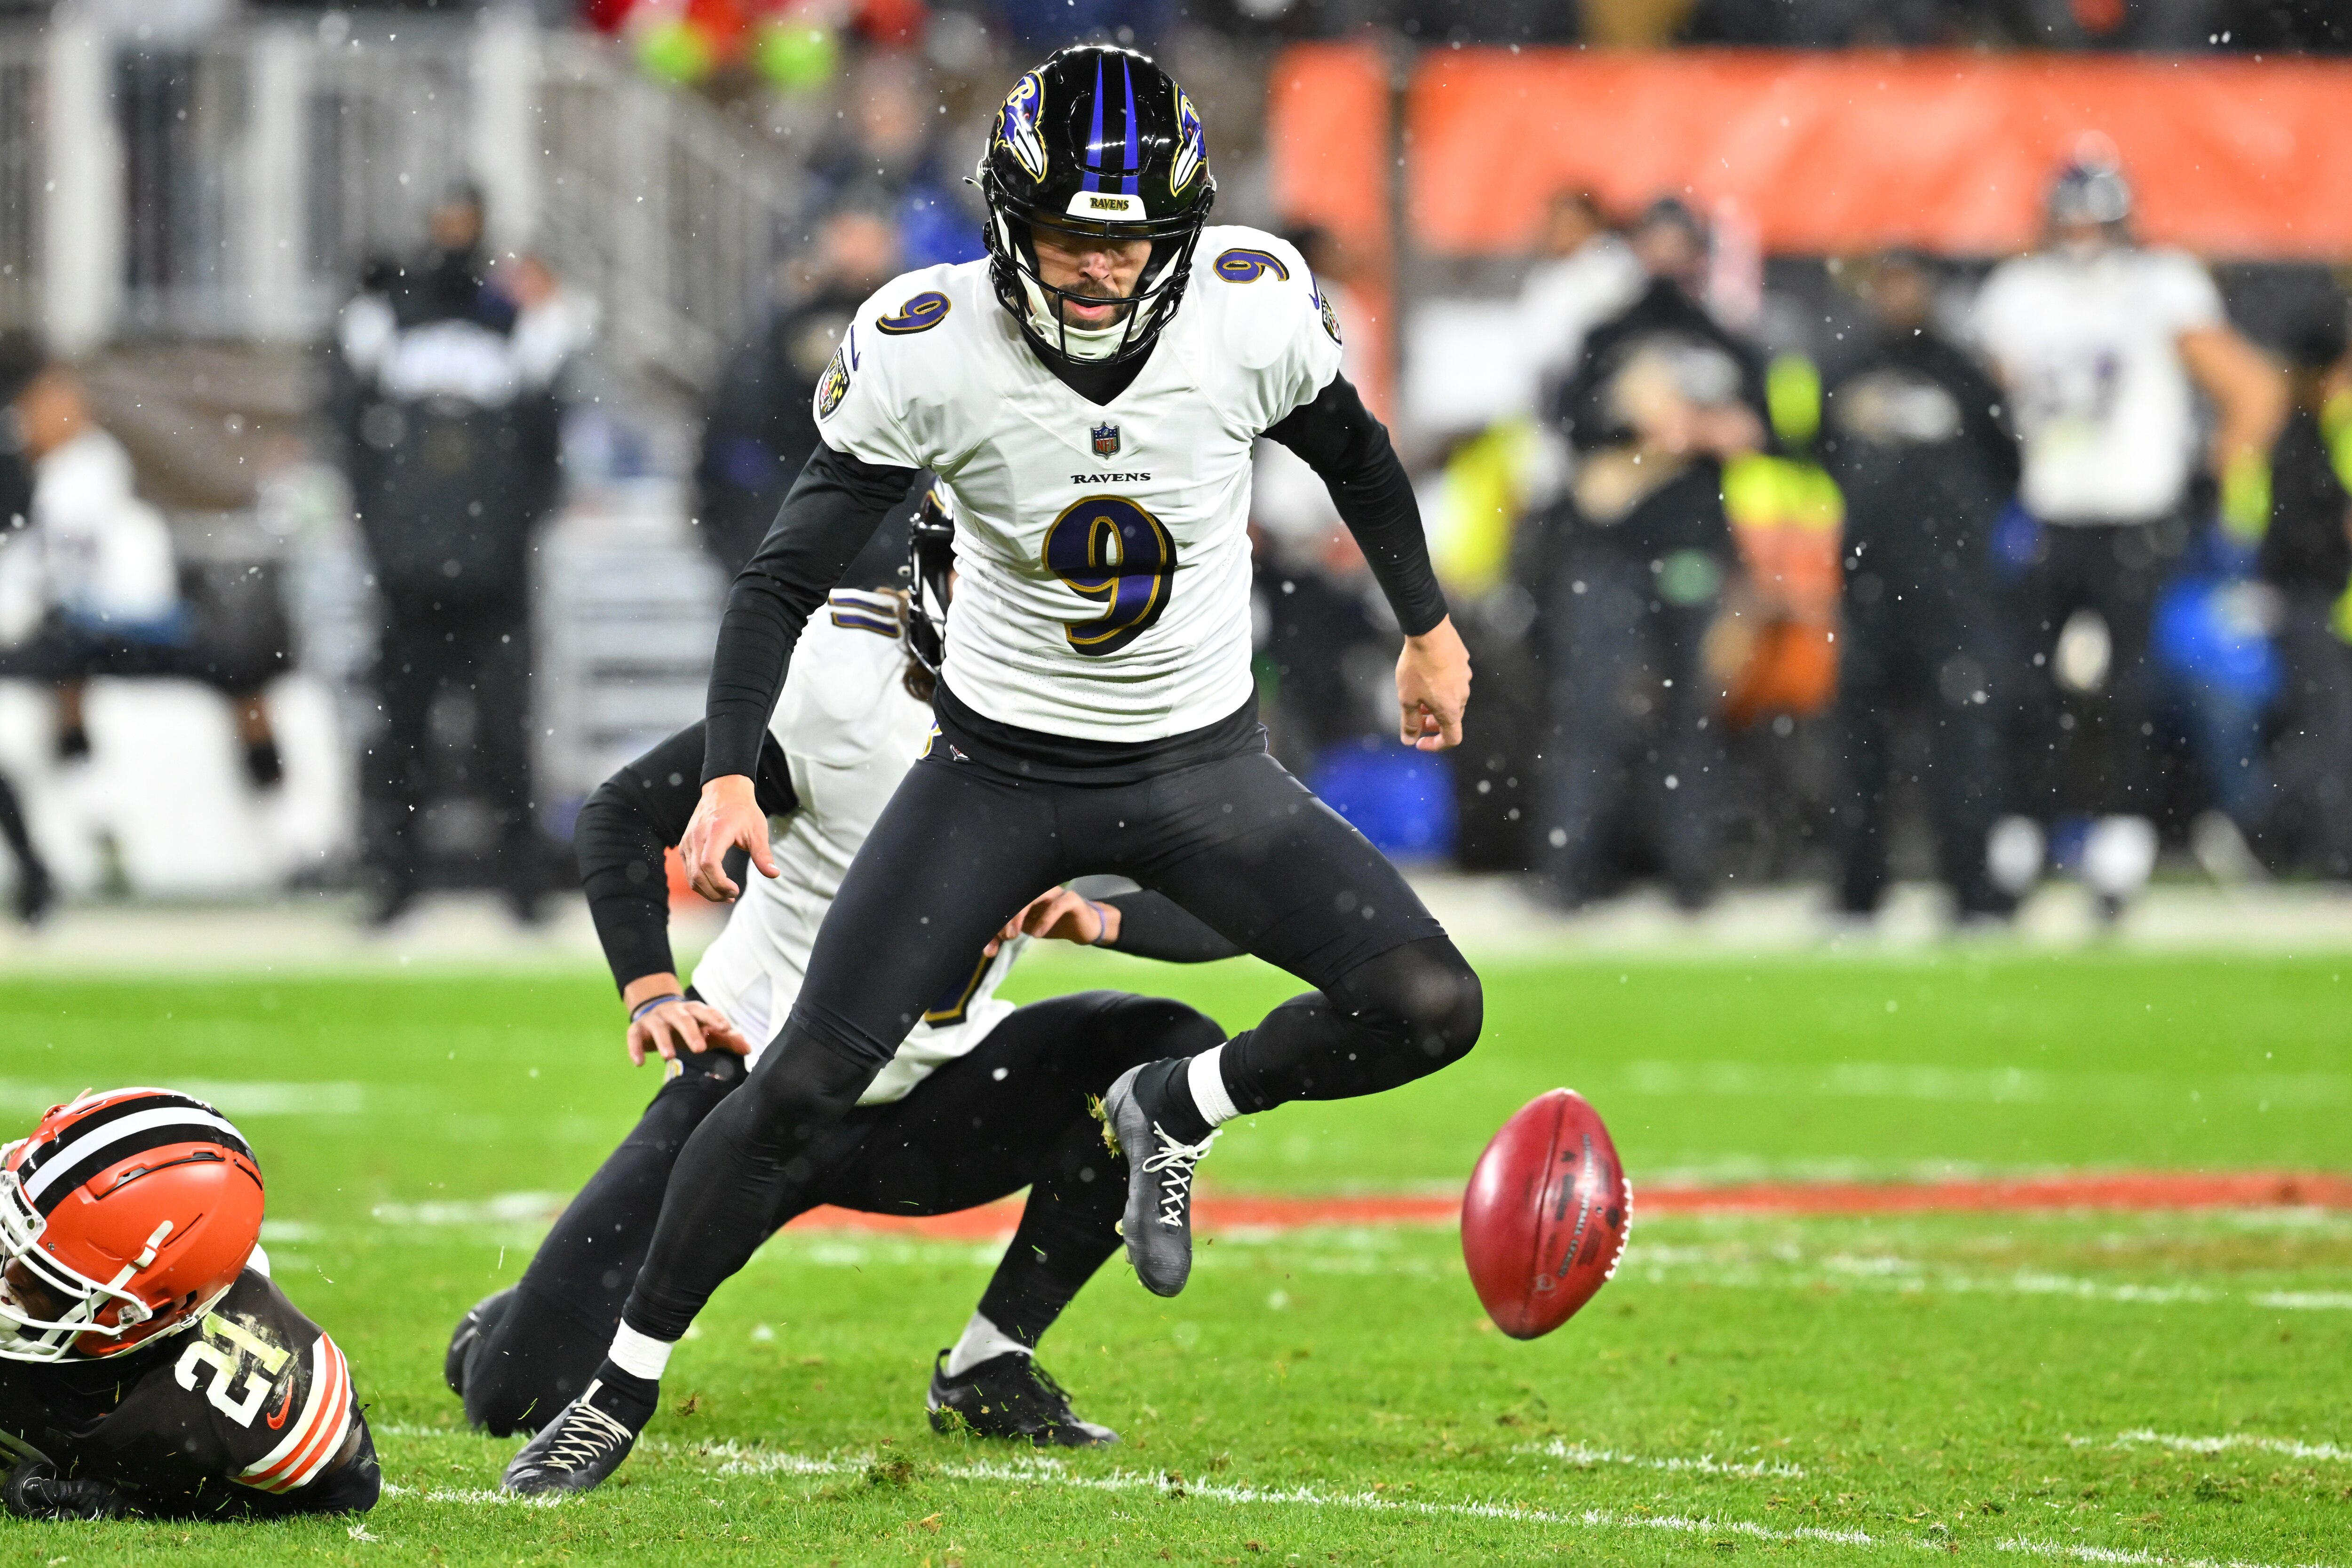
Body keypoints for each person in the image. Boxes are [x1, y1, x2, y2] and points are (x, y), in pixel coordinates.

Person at [501, 45, 1479, 1495]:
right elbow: (781, 574)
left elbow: (1356, 452)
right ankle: (616, 1391)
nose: (1099, 269)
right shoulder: (926, 339)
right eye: (1072, 235)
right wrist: (721, 773)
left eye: (1129, 236)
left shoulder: (1250, 309)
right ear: (1009, 222)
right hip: (998, 772)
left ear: (1183, 225)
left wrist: (1426, 623)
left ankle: (1179, 1108)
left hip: (1197, 762)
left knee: (1426, 1003)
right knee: (795, 1086)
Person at [450, 499, 1244, 1446]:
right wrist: (652, 989)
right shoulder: (844, 684)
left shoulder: (1095, 700)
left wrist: (1099, 913)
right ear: (943, 570)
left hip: (927, 1093)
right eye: (1006, 577)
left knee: (1163, 1052)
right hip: (749, 1093)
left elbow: (1243, 894)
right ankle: (515, 1320)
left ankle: (989, 1362)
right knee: (514, 1396)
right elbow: (622, 811)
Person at [1971, 147, 2287, 918]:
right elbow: (1992, 391)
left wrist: (2208, 483)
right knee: (2026, 685)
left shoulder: (2159, 285)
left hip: (2135, 516)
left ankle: (2119, 845)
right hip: (2048, 513)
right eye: (2068, 218)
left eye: (2093, 218)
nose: (2080, 235)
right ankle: (2023, 835)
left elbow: (2254, 391)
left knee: (2126, 691)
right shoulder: (2018, 291)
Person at [333, 182, 590, 927]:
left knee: (505, 730)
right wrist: (386, 536)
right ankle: (395, 876)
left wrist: (512, 533)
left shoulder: (514, 324)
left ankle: (521, 881)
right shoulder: (389, 321)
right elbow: (354, 442)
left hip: (492, 571)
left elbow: (545, 446)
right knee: (402, 727)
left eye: (462, 223)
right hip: (411, 570)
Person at [1535, 197, 1769, 911]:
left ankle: (1688, 872)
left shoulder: (1725, 340)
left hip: (1692, 543)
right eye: (1656, 243)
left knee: (1690, 714)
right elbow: (1568, 424)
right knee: (1591, 710)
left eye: (1680, 244)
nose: (1667, 258)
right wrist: (1635, 423)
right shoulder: (1607, 334)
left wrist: (1706, 428)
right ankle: (1572, 870)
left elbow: (1773, 433)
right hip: (1610, 548)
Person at [0, 1088, 379, 1521]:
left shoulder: (245, 1381)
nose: (7, 1281)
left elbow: (348, 1490)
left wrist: (139, 1504)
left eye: (39, 1278)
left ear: (151, 1314)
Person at [1819, 251, 2022, 922]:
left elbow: (2008, 466)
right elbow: (1818, 455)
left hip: (1951, 592)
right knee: (1862, 751)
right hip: (1870, 588)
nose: (1897, 294)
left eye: (1908, 280)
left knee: (1964, 744)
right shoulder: (1847, 369)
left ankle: (1971, 890)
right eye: (1887, 280)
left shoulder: (1963, 373)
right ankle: (1857, 891)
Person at [0, 349, 286, 794]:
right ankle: (75, 763)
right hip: (71, 627)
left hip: (125, 620)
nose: (71, 408)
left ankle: (266, 773)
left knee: (236, 660)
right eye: (52, 399)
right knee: (62, 653)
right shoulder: (25, 478)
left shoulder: (96, 462)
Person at [694, 207, 901, 577]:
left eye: (870, 239)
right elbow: (739, 426)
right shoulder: (787, 328)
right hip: (801, 539)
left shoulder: (923, 321)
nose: (856, 252)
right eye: (847, 236)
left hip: (891, 543)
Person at [2247, 301, 2352, 879]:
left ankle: (2300, 842)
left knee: (2325, 726)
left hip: (2306, 597)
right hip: (2309, 598)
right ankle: (2268, 830)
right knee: (2328, 730)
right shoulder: (2307, 436)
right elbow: (2293, 530)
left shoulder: (2293, 432)